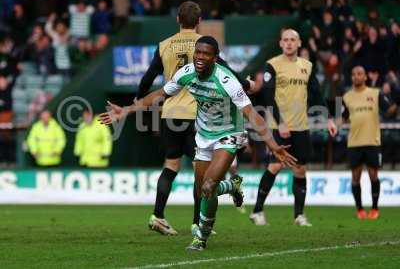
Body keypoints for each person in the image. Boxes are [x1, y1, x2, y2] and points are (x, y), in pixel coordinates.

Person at [99, 36, 296, 251]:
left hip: (228, 134)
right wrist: (126, 110)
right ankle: (232, 185)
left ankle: (200, 238)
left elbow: (251, 114)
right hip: (203, 135)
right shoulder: (186, 73)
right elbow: (158, 94)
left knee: (209, 186)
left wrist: (273, 144)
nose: (200, 57)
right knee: (204, 190)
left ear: (215, 58)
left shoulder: (226, 80)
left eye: (206, 54)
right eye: (198, 52)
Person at [136, 1, 253, 235]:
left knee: (171, 165)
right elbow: (228, 72)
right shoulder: (203, 47)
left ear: (178, 20)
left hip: (170, 114)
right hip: (197, 115)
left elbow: (148, 78)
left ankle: (158, 215)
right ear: (199, 21)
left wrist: (139, 101)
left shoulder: (165, 45)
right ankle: (197, 223)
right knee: (202, 171)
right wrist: (247, 84)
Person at [249, 29, 338, 227]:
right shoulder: (272, 65)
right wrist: (280, 122)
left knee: (300, 169)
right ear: (281, 43)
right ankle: (257, 211)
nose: (289, 43)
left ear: (299, 44)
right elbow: (268, 96)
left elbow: (316, 94)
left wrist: (329, 119)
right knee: (275, 165)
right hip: (278, 126)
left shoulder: (307, 66)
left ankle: (299, 216)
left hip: (300, 126)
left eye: (293, 40)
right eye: (286, 40)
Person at [341, 66, 392, 220]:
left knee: (373, 176)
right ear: (352, 77)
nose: (356, 76)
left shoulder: (375, 93)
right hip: (354, 143)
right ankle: (360, 210)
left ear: (365, 77)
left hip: (372, 141)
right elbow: (343, 117)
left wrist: (394, 100)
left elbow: (389, 110)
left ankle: (375, 209)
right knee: (355, 177)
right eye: (354, 74)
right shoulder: (347, 97)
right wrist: (335, 122)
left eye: (360, 74)